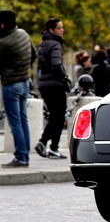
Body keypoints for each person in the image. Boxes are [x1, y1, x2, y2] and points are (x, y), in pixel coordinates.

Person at [0, 10, 37, 168]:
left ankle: (20, 157)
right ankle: (25, 156)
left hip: (11, 85)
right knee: (23, 121)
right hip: (24, 81)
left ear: (2, 25)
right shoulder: (23, 33)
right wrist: (23, 68)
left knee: (15, 123)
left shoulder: (4, 43)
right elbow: (33, 54)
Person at [34, 18, 68, 160]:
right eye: (59, 27)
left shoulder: (42, 44)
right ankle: (49, 145)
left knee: (55, 116)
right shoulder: (55, 44)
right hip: (55, 84)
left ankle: (48, 144)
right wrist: (65, 76)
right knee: (59, 117)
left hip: (44, 85)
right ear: (51, 30)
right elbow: (56, 65)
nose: (62, 30)